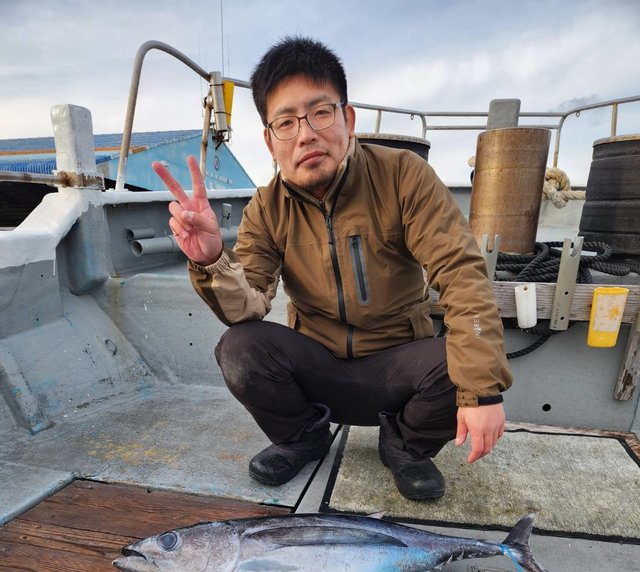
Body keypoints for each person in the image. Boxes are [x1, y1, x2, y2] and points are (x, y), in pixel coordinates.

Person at [152, 36, 512, 501]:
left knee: (460, 360)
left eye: (320, 113)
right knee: (240, 347)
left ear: (348, 119)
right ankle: (303, 438)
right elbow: (248, 307)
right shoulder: (266, 207)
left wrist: (481, 393)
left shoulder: (404, 175)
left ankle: (405, 446)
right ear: (270, 141)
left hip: (397, 368)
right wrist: (211, 260)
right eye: (286, 122)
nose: (305, 134)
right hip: (318, 368)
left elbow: (461, 274)